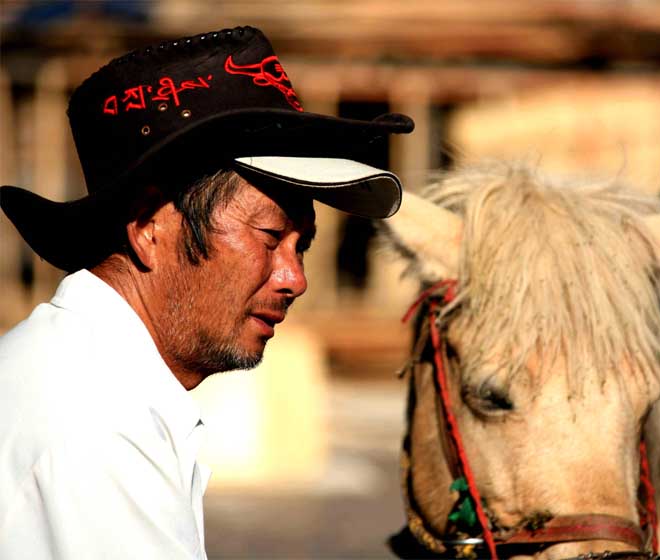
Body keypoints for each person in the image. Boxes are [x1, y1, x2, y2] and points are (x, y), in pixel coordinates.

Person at [0, 26, 413, 559]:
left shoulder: (74, 373)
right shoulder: (99, 423)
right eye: (270, 237)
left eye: (302, 245)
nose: (295, 278)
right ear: (150, 225)